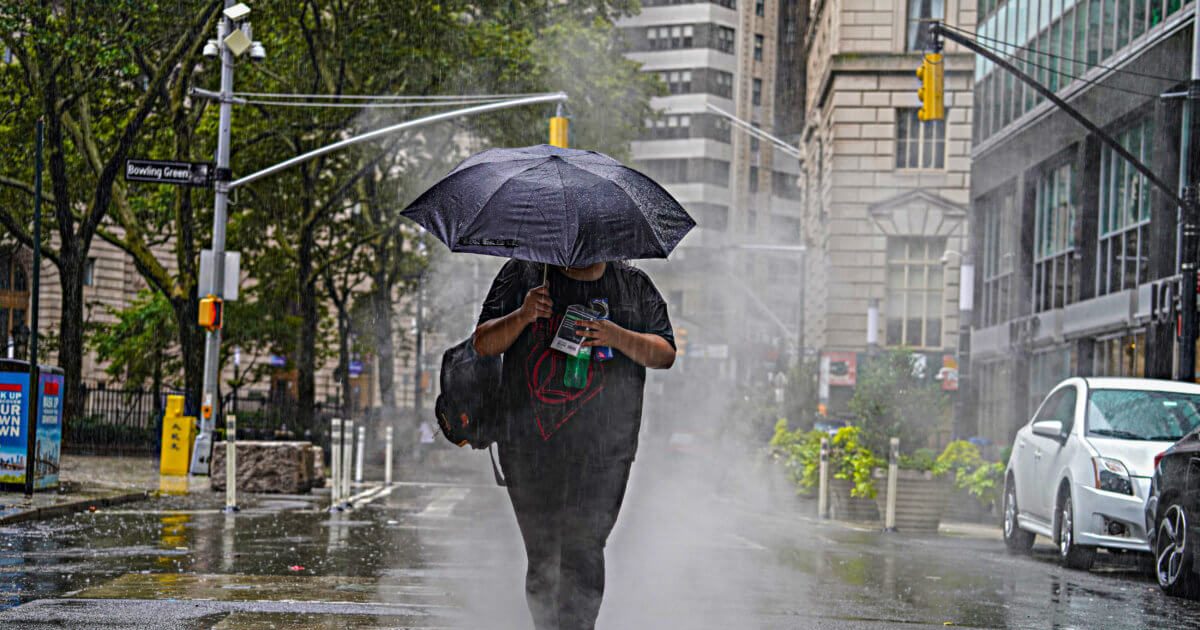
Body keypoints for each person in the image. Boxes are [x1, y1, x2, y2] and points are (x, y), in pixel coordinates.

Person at [474, 259, 676, 630]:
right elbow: (483, 344)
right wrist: (523, 314)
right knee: (543, 554)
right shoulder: (523, 275)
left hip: (605, 452)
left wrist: (617, 336)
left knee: (584, 550)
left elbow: (664, 353)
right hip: (529, 448)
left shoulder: (632, 286)